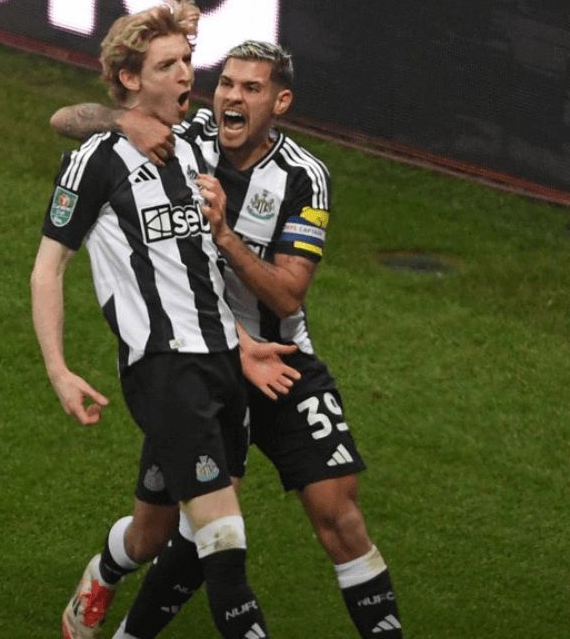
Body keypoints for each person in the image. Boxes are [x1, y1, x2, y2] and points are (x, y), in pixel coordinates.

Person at [50, 41, 403, 638]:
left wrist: (225, 235)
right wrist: (123, 117)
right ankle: (108, 572)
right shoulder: (186, 140)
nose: (232, 97)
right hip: (198, 358)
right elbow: (65, 120)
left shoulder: (303, 177)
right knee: (162, 535)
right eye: (227, 84)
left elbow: (288, 296)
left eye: (252, 88)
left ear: (280, 101)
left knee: (339, 516)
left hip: (282, 358)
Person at [32, 0, 284, 639]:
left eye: (187, 61)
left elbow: (193, 272)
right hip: (166, 373)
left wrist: (242, 342)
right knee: (225, 546)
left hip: (223, 364)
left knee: (154, 532)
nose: (186, 76)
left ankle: (104, 572)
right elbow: (47, 269)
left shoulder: (194, 144)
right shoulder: (98, 160)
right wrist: (59, 371)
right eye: (168, 65)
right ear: (130, 78)